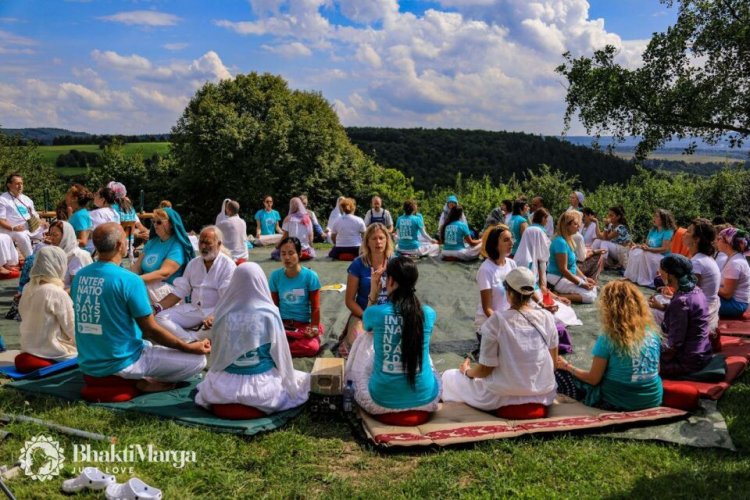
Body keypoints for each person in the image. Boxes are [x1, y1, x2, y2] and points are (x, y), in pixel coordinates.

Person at [73, 223, 209, 392]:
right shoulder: (130, 280)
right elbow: (151, 330)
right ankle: (141, 382)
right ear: (119, 245)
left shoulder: (80, 276)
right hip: (123, 361)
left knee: (148, 345)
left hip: (89, 361)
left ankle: (136, 377)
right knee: (199, 361)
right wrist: (187, 347)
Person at [194, 262, 310, 414]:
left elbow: (218, 356)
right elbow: (280, 354)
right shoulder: (269, 313)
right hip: (261, 391)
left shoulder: (222, 313)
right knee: (303, 380)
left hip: (223, 389)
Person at [442, 267, 558, 413]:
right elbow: (553, 365)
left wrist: (467, 372)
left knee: (449, 376)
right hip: (542, 395)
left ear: (508, 292)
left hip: (500, 397)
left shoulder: (496, 321)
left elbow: (485, 370)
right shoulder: (547, 318)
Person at [345, 256, 441, 415]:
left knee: (365, 336)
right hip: (427, 402)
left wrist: (373, 294)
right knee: (422, 350)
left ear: (389, 281)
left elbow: (367, 325)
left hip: (380, 404)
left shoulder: (376, 313)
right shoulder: (428, 313)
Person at [555, 280, 662, 411]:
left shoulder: (609, 338)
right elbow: (656, 370)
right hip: (653, 398)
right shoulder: (652, 332)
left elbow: (593, 379)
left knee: (560, 373)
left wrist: (567, 366)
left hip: (617, 401)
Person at [154, 226, 236, 342]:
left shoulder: (228, 265)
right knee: (159, 317)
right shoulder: (193, 263)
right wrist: (157, 307)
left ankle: (189, 337)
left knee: (225, 324)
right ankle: (191, 340)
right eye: (201, 242)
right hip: (194, 310)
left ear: (218, 244)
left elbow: (227, 300)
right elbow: (180, 291)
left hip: (216, 312)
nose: (203, 246)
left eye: (208, 243)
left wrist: (214, 317)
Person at [649, 254, 712, 377]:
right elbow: (686, 312)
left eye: (661, 270)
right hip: (702, 352)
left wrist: (651, 352)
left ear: (669, 274)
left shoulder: (681, 301)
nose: (659, 273)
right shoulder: (696, 290)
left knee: (638, 358)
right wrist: (663, 307)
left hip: (688, 360)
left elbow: (675, 344)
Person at [339, 223, 394, 357]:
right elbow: (349, 300)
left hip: (389, 315)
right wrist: (366, 317)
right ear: (367, 242)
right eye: (374, 238)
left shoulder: (395, 262)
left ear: (387, 241)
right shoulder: (358, 264)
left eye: (381, 238)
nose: (378, 242)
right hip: (362, 313)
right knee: (357, 346)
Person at [18, 246, 76, 362]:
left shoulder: (27, 288)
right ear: (59, 265)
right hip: (53, 351)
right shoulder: (56, 292)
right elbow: (71, 327)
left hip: (27, 348)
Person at [269, 237, 323, 357]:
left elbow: (315, 308)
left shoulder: (310, 276)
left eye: (291, 253)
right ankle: (280, 348)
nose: (287, 257)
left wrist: (314, 328)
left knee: (312, 347)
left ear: (299, 254)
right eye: (283, 254)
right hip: (282, 324)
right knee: (263, 339)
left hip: (303, 325)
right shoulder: (275, 276)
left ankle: (278, 350)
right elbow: (274, 306)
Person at [131, 207, 195, 304]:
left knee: (134, 290)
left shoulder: (177, 245)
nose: (155, 225)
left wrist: (135, 280)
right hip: (147, 285)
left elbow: (164, 273)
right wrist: (128, 277)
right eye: (154, 222)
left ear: (171, 225)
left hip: (169, 290)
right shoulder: (152, 242)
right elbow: (137, 267)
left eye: (159, 222)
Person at [547, 211, 597, 304]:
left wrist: (585, 279)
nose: (578, 226)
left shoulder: (568, 240)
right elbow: (563, 269)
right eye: (575, 224)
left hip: (567, 277)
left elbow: (573, 264)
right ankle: (556, 295)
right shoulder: (560, 242)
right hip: (558, 278)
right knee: (590, 297)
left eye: (578, 224)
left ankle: (559, 294)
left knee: (593, 289)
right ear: (566, 225)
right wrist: (581, 284)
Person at [474, 225, 517, 334]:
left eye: (511, 239)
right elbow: (487, 308)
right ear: (495, 245)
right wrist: (504, 325)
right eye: (506, 240)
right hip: (490, 324)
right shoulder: (486, 270)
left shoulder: (512, 264)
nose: (511, 243)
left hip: (508, 319)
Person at [625, 209, 676, 287]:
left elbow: (665, 249)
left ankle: (644, 280)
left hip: (662, 257)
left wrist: (648, 249)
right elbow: (646, 245)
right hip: (650, 253)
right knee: (634, 251)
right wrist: (638, 246)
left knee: (645, 253)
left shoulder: (668, 231)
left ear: (663, 219)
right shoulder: (653, 230)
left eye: (657, 216)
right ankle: (632, 277)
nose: (654, 218)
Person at [0, 173, 47, 257]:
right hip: (12, 229)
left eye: (21, 183)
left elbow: (34, 215)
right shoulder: (2, 199)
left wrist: (42, 222)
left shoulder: (26, 199)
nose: (20, 186)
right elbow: (1, 220)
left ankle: (44, 257)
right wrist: (13, 228)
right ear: (9, 185)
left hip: (30, 227)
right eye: (17, 183)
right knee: (22, 235)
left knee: (50, 231)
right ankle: (30, 261)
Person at [45, 221, 93, 289]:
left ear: (66, 236)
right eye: (50, 235)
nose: (51, 238)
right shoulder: (54, 254)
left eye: (55, 235)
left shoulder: (77, 256)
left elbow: (77, 287)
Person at [716, 227, 750, 318]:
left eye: (719, 238)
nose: (716, 241)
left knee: (698, 303)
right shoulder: (733, 258)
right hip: (735, 302)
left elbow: (727, 294)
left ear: (728, 243)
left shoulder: (735, 263)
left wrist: (709, 286)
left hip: (736, 305)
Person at [108, 181, 149, 250]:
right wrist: (146, 234)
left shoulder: (110, 209)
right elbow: (141, 227)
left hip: (117, 246)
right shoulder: (130, 208)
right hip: (129, 244)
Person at [570, 211, 605, 281]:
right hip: (571, 268)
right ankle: (592, 281)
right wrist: (594, 252)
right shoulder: (577, 236)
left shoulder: (559, 234)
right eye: (576, 224)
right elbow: (582, 258)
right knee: (598, 255)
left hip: (557, 270)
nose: (579, 225)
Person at [216, 200, 249, 264]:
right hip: (244, 256)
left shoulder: (224, 223)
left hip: (232, 257)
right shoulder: (243, 222)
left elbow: (214, 232)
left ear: (228, 210)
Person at [65, 183, 94, 249]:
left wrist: (62, 241)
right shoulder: (80, 213)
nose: (65, 197)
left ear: (75, 198)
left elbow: (83, 242)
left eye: (68, 194)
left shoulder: (80, 216)